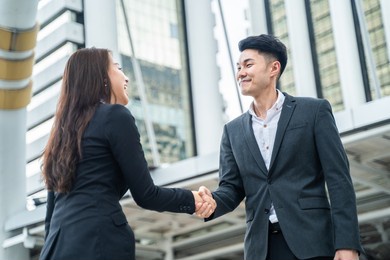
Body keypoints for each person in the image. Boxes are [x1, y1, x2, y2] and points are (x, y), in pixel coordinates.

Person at [197, 34, 364, 260]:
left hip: (313, 243)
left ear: (273, 68)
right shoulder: (232, 131)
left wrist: (347, 244)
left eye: (248, 65)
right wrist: (212, 201)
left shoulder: (313, 112)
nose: (240, 73)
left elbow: (339, 180)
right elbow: (232, 188)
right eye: (238, 67)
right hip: (262, 249)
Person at [39, 47, 216, 260]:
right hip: (100, 241)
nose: (126, 78)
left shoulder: (60, 134)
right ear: (102, 77)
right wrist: (193, 199)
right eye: (118, 68)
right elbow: (146, 194)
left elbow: (50, 217)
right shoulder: (115, 116)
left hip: (56, 248)